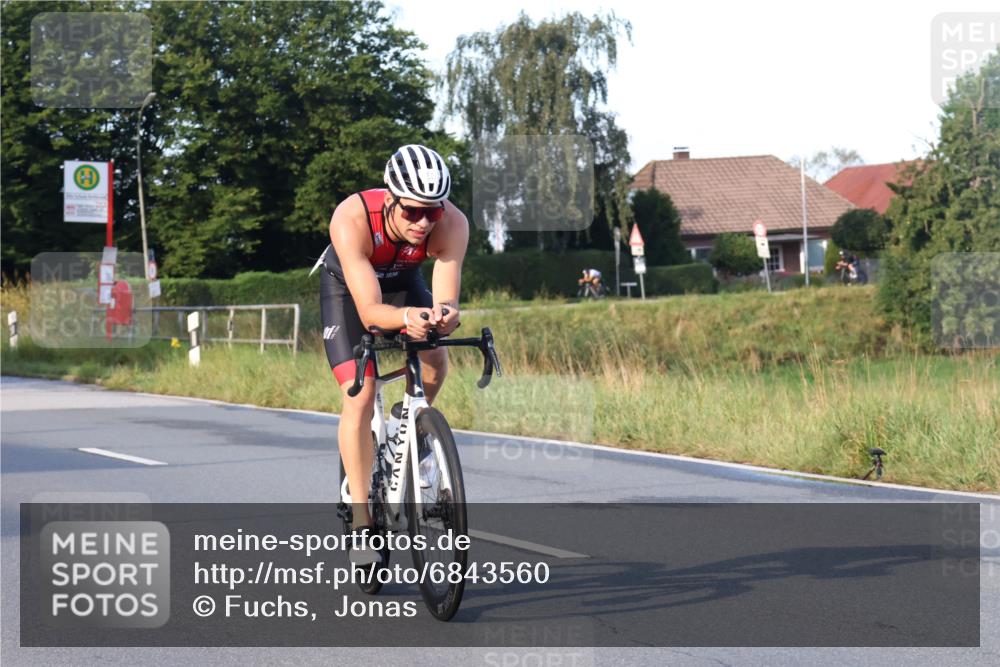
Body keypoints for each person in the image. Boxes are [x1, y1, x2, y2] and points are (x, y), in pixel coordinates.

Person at [314, 145, 469, 564]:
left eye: (431, 212)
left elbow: (446, 297)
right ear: (390, 200)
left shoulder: (453, 223)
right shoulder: (352, 218)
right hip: (348, 292)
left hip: (403, 281)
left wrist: (445, 314)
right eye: (412, 211)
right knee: (361, 392)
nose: (423, 223)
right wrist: (405, 318)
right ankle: (361, 521)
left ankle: (409, 427)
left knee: (436, 360)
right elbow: (369, 312)